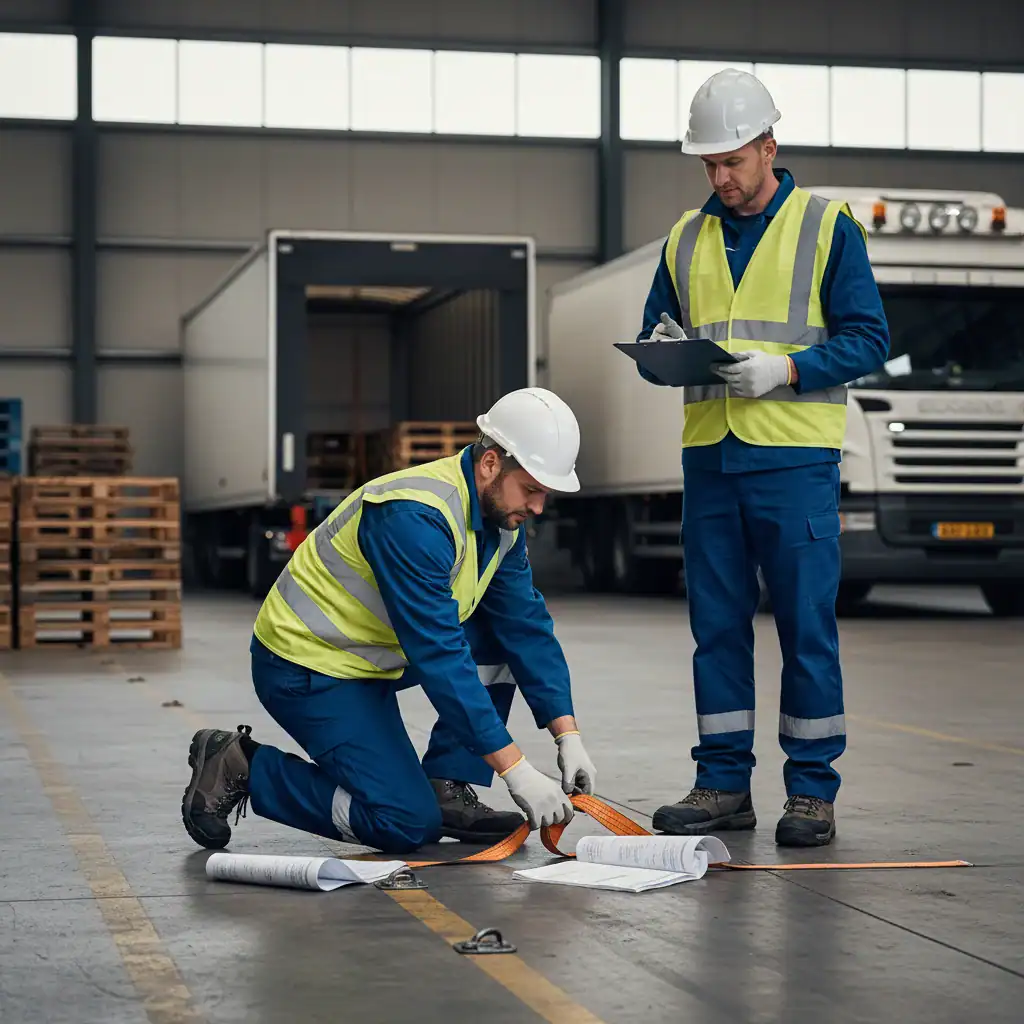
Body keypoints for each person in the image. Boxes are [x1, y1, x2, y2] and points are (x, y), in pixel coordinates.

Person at [635, 69, 890, 847]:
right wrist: (662, 353)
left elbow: (868, 338)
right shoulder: (686, 236)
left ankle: (811, 792)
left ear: (769, 146)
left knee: (806, 628)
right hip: (711, 463)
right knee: (716, 628)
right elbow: (653, 340)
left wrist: (785, 370)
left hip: (794, 464)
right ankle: (722, 784)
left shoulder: (826, 226)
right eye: (708, 164)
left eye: (732, 162)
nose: (720, 178)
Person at [180, 388, 597, 855]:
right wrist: (515, 768)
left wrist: (568, 735)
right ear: (491, 464)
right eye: (533, 490)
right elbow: (438, 653)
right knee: (404, 823)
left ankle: (448, 781)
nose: (539, 507)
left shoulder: (502, 522)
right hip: (310, 668)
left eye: (547, 494)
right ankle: (242, 765)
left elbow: (527, 628)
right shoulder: (414, 516)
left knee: (501, 635)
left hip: (371, 660)